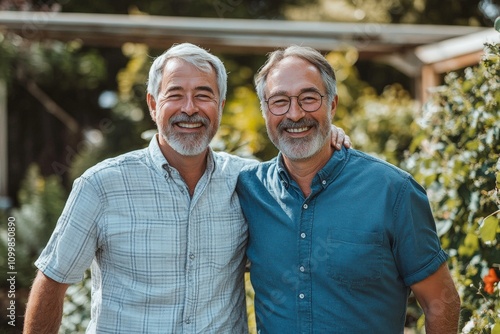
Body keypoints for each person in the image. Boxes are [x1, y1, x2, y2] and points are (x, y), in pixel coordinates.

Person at [23, 43, 350, 333]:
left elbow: (305, 185)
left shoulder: (251, 182)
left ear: (220, 105)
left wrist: (330, 137)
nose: (190, 108)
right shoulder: (101, 186)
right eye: (175, 94)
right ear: (153, 104)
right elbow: (53, 280)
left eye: (204, 95)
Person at [236, 45, 461, 333]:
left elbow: (441, 301)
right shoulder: (248, 188)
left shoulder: (393, 192)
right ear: (265, 110)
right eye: (279, 101)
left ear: (331, 104)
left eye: (309, 98)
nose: (294, 114)